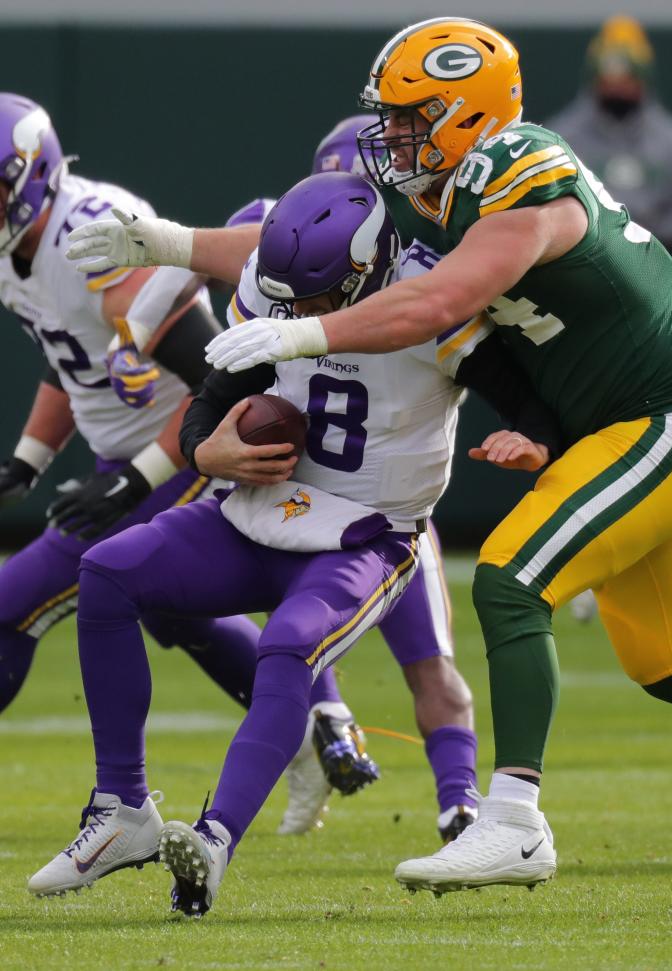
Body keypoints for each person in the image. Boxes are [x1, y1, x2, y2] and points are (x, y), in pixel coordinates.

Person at [67, 18, 672, 895]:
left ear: (467, 115)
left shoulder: (520, 173)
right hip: (604, 426)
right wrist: (169, 243)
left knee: (510, 578)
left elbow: (439, 298)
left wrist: (297, 332)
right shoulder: (429, 184)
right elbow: (311, 245)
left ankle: (515, 819)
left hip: (662, 419)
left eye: (412, 117)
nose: (393, 137)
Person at [30, 171, 560, 915]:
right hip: (260, 508)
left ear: (369, 266)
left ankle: (213, 841)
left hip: (365, 534)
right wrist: (206, 450)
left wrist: (531, 437)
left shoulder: (432, 303)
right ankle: (122, 808)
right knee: (109, 571)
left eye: (314, 298)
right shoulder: (273, 282)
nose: (297, 312)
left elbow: (530, 394)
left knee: (289, 647)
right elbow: (217, 392)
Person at [110, 115, 481, 843]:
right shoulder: (274, 236)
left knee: (428, 665)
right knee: (262, 619)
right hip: (288, 486)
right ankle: (324, 723)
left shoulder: (425, 268)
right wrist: (135, 339)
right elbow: (193, 272)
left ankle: (461, 802)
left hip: (380, 507)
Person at [0, 92, 266, 718]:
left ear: (33, 176)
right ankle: (316, 719)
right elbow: (70, 351)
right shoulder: (20, 247)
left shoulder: (91, 242)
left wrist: (133, 481)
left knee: (11, 602)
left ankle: (311, 714)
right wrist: (29, 460)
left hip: (184, 449)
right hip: (125, 453)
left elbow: (217, 383)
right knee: (172, 611)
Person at [547, 16, 672, 287]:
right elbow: (545, 207)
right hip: (584, 274)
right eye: (609, 79)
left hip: (657, 274)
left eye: (626, 79)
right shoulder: (563, 136)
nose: (617, 88)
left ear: (642, 78)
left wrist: (646, 239)